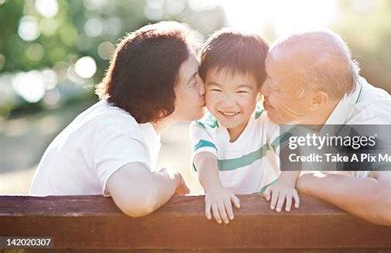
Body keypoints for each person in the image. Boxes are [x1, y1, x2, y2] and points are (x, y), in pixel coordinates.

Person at [261, 29, 391, 226]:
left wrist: (306, 180)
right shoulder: (334, 102)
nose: (262, 89)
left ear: (316, 99)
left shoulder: (371, 121)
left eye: (276, 87)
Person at [30, 21, 206, 217]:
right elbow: (138, 199)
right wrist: (172, 176)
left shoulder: (116, 120)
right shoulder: (114, 126)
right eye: (193, 80)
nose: (204, 87)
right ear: (158, 91)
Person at [190, 29, 300, 225]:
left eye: (241, 91)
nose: (228, 103)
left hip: (266, 212)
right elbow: (205, 160)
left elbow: (290, 148)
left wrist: (286, 182)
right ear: (203, 86)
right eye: (216, 89)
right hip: (223, 212)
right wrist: (214, 190)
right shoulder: (203, 127)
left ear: (259, 93)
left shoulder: (265, 120)